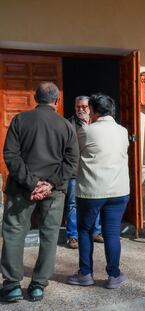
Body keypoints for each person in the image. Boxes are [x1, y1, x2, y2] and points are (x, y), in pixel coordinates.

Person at [0, 82, 79, 302]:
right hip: (54, 191)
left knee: (14, 233)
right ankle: (38, 286)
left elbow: (11, 156)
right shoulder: (66, 126)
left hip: (21, 189)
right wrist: (49, 184)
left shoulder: (20, 120)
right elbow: (71, 161)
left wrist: (31, 183)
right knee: (49, 234)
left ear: (36, 98)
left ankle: (12, 285)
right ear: (57, 101)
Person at [67, 94, 130, 289]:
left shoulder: (85, 131)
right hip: (119, 191)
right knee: (111, 232)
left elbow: (74, 153)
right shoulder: (122, 131)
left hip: (92, 191)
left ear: (93, 111)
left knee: (84, 231)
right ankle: (114, 275)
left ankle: (85, 274)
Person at [66, 96, 103, 249]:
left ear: (90, 108)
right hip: (75, 171)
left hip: (95, 171)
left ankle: (96, 232)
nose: (80, 110)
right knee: (73, 204)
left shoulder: (99, 123)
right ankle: (73, 236)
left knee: (96, 201)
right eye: (77, 107)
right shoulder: (68, 124)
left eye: (84, 107)